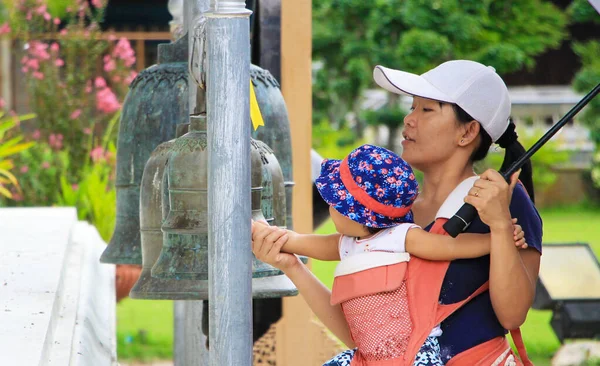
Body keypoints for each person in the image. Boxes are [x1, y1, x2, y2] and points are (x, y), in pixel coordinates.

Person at [252, 60, 543, 365]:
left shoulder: (504, 201)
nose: (409, 120)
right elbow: (367, 339)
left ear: (468, 132)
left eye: (426, 110)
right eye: (411, 107)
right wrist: (293, 266)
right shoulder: (387, 211)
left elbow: (513, 315)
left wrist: (499, 227)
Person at [252, 143, 527, 365]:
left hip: (414, 353)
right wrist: (267, 233)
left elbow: (449, 247)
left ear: (355, 213)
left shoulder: (401, 236)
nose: (330, 207)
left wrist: (496, 239)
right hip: (371, 356)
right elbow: (303, 242)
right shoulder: (348, 244)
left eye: (335, 202)